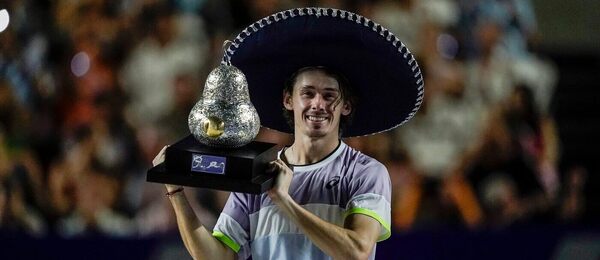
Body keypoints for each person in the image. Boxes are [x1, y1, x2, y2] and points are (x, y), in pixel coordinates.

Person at [152, 7, 424, 260]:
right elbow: (217, 257)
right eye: (307, 93)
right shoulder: (258, 173)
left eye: (329, 95)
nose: (318, 104)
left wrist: (284, 199)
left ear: (346, 106)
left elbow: (358, 251)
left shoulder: (366, 172)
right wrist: (176, 192)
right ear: (288, 100)